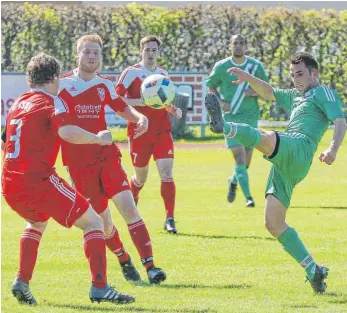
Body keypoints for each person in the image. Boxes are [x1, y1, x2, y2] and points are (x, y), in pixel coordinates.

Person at [205, 51, 347, 293]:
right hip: (288, 162)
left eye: (300, 74)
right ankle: (314, 270)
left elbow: (340, 120)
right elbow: (269, 91)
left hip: (301, 147)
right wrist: (247, 76)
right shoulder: (296, 96)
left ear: (315, 73)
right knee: (273, 223)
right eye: (292, 75)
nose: (296, 79)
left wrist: (333, 148)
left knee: (267, 137)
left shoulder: (323, 92)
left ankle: (224, 126)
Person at [1, 53, 135, 305]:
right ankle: (100, 287)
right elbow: (66, 132)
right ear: (53, 78)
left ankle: (22, 281)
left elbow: (4, 141)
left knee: (36, 223)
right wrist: (98, 138)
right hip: (37, 181)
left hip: (9, 183)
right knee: (93, 223)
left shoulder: (18, 103)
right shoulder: (53, 101)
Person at [59, 34, 166, 284]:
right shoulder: (61, 84)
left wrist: (139, 117)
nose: (92, 57)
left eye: (96, 52)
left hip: (106, 156)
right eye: (87, 52)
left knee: (129, 208)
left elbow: (122, 108)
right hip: (78, 164)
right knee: (103, 223)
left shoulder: (104, 84)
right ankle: (123, 258)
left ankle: (151, 267)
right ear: (78, 54)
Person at [116, 35, 182, 234]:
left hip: (162, 131)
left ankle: (170, 219)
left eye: (154, 50)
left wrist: (172, 109)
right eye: (147, 50)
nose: (151, 53)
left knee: (167, 174)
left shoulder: (163, 74)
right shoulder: (131, 72)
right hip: (139, 131)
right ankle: (134, 196)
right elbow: (117, 96)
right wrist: (140, 102)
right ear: (141, 51)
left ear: (158, 52)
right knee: (140, 178)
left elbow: (162, 100)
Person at [206, 34, 269, 207]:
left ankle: (233, 181)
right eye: (235, 43)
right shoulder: (222, 67)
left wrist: (254, 91)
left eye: (242, 43)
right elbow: (210, 86)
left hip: (250, 118)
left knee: (245, 164)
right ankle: (249, 198)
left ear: (246, 46)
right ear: (230, 46)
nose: (239, 46)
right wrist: (220, 102)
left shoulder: (255, 66)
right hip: (230, 120)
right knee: (240, 159)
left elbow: (267, 89)